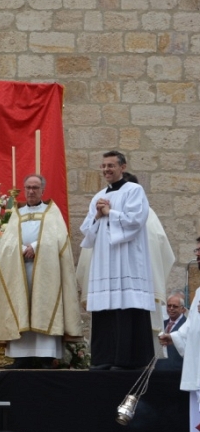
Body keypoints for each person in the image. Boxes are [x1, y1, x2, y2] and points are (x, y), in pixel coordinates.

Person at [0, 174, 82, 368]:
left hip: (46, 271)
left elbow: (59, 239)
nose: (31, 191)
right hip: (20, 270)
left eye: (35, 187)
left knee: (42, 306)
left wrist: (36, 247)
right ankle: (22, 356)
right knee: (21, 305)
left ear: (43, 190)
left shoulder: (52, 212)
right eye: (28, 187)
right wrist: (21, 249)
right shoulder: (17, 214)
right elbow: (7, 242)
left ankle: (46, 356)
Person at [77, 171, 175, 362]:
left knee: (131, 319)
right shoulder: (101, 204)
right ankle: (107, 358)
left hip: (134, 279)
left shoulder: (143, 213)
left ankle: (129, 361)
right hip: (107, 277)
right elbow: (165, 253)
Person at [80, 151, 155, 370]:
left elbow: (135, 221)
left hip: (127, 258)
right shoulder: (98, 195)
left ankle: (127, 360)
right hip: (105, 260)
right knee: (106, 310)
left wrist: (110, 212)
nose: (106, 170)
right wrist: (97, 215)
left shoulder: (134, 190)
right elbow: (87, 231)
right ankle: (104, 358)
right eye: (103, 166)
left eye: (111, 165)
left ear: (122, 167)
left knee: (125, 308)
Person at [159, 239, 200, 432]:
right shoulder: (198, 293)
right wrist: (172, 337)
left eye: (199, 251)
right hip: (196, 369)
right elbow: (192, 328)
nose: (196, 254)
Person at [156, 293, 186, 371]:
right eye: (169, 306)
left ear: (182, 309)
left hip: (178, 370)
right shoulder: (161, 324)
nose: (171, 308)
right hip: (159, 369)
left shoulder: (187, 325)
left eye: (175, 306)